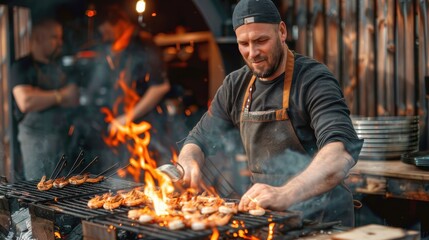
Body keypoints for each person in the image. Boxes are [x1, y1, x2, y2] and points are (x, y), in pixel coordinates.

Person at [177, 0, 363, 226]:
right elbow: (198, 139)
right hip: (271, 222)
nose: (252, 53)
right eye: (243, 43)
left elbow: (339, 153)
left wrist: (285, 194)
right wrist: (189, 161)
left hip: (323, 221)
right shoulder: (236, 85)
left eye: (261, 40)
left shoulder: (314, 80)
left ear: (281, 32)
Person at [82, 5, 171, 171]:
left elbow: (160, 87)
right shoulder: (118, 48)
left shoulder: (144, 43)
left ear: (120, 22)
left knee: (153, 178)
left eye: (107, 31)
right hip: (128, 131)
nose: (105, 37)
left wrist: (126, 118)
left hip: (149, 127)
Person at [11, 19, 79, 181]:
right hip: (35, 141)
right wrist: (59, 96)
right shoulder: (22, 66)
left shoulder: (59, 67)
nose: (60, 43)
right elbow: (26, 101)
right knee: (39, 190)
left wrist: (40, 95)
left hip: (61, 139)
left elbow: (74, 98)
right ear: (39, 38)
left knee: (63, 189)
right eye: (55, 37)